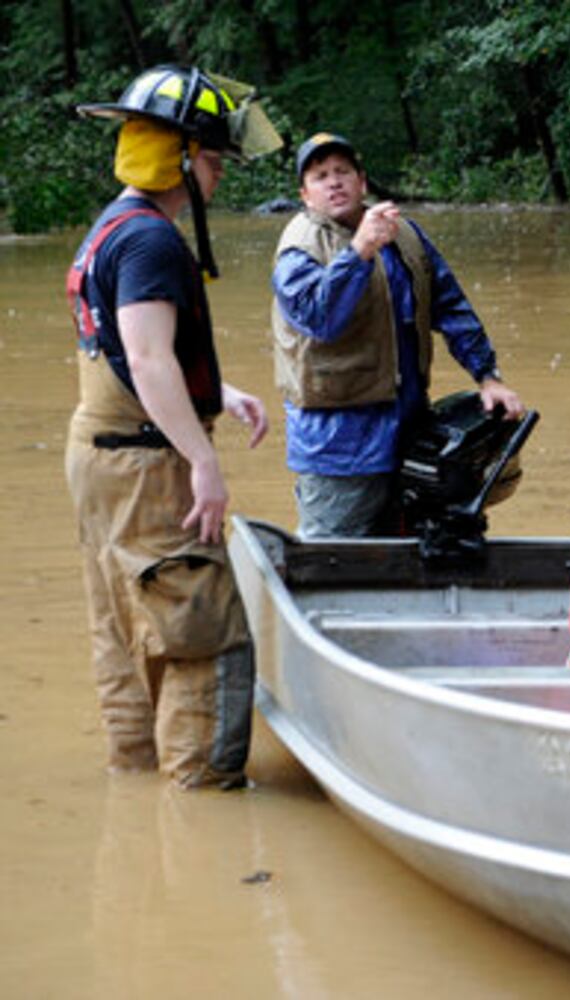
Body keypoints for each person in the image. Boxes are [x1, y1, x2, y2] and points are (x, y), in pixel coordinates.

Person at [65, 65, 281, 788]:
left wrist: (218, 391)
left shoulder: (109, 228)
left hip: (100, 453)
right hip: (146, 466)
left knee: (124, 624)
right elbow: (151, 358)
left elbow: (125, 353)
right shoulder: (152, 242)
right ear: (181, 158)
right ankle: (202, 801)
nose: (220, 174)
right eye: (215, 158)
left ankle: (135, 776)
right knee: (206, 632)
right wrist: (203, 460)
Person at [270, 133, 525, 538]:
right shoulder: (298, 250)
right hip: (338, 447)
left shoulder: (404, 234)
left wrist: (487, 376)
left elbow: (451, 306)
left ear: (362, 182)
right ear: (305, 194)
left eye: (343, 172)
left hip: (407, 429)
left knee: (418, 544)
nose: (334, 182)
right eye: (320, 176)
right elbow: (320, 320)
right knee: (334, 561)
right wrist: (359, 251)